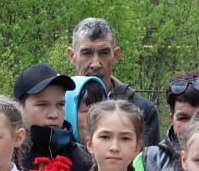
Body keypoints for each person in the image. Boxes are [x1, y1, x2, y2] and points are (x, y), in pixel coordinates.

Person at [67, 17, 160, 145]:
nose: (95, 64)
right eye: (86, 53)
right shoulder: (56, 107)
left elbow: (147, 163)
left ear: (115, 55)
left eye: (104, 53)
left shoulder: (142, 109)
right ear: (72, 56)